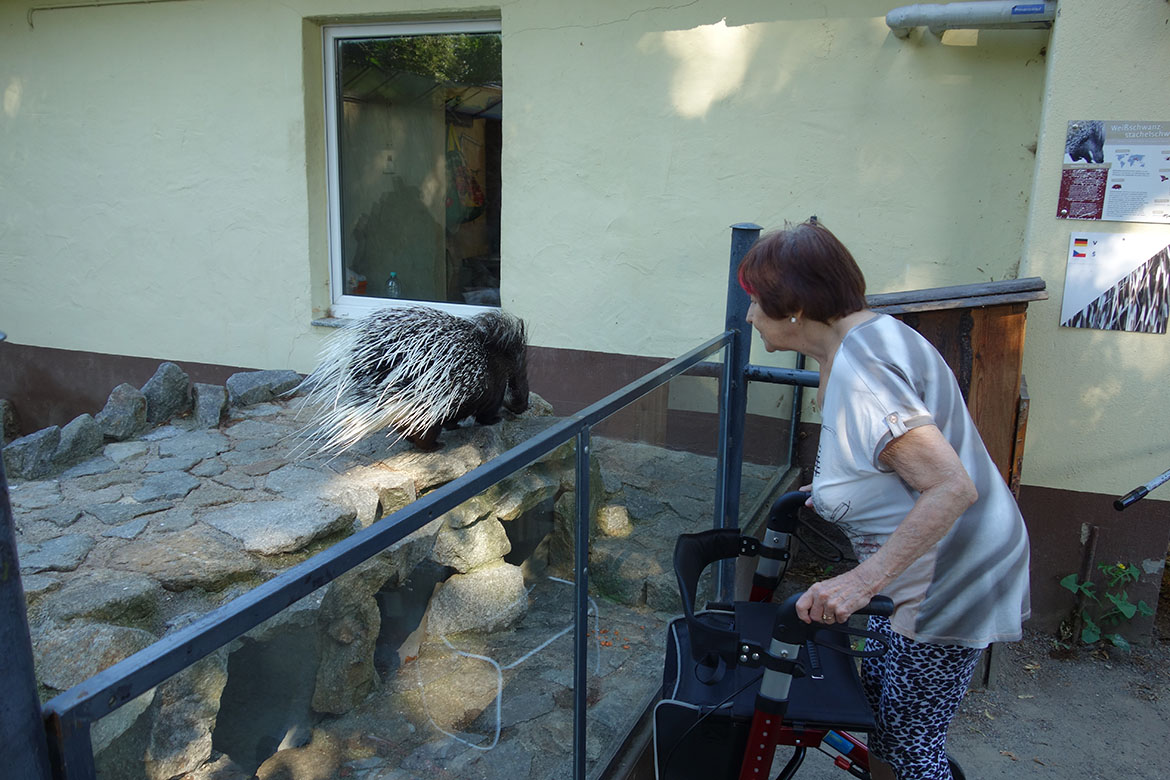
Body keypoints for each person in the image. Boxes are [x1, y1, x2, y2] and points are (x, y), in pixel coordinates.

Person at [737, 219, 1031, 780]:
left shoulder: (863, 373)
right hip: (917, 569)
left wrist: (857, 582)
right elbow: (880, 453)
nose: (750, 316)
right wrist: (829, 488)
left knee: (908, 746)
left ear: (794, 307)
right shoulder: (866, 335)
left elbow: (950, 486)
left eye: (756, 302)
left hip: (949, 575)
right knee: (881, 716)